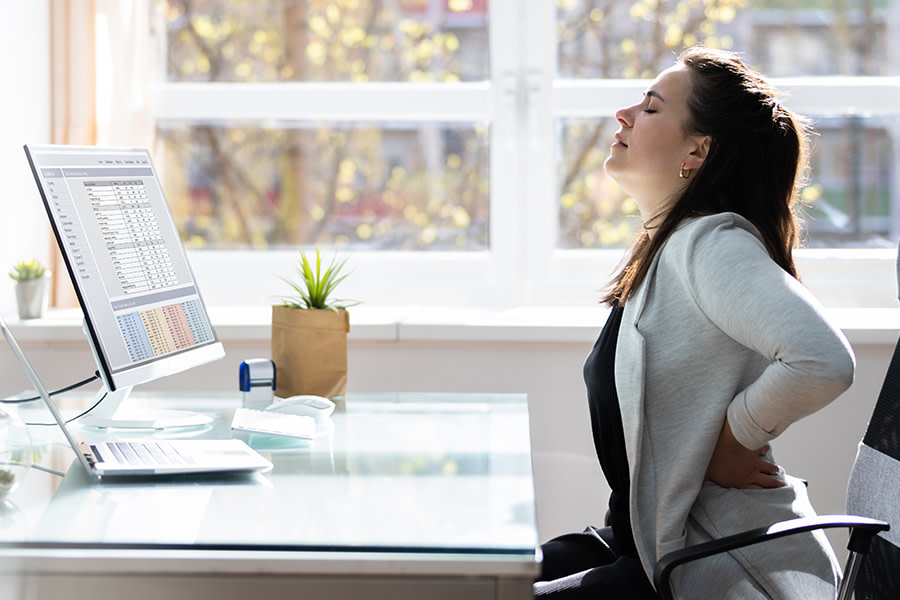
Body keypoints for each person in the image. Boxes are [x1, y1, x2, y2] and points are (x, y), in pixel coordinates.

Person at [533, 47, 856, 599]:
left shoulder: (710, 243)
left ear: (698, 150)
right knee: (462, 575)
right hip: (640, 544)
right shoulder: (668, 248)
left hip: (702, 567)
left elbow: (824, 360)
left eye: (652, 108)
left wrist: (731, 439)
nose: (625, 115)